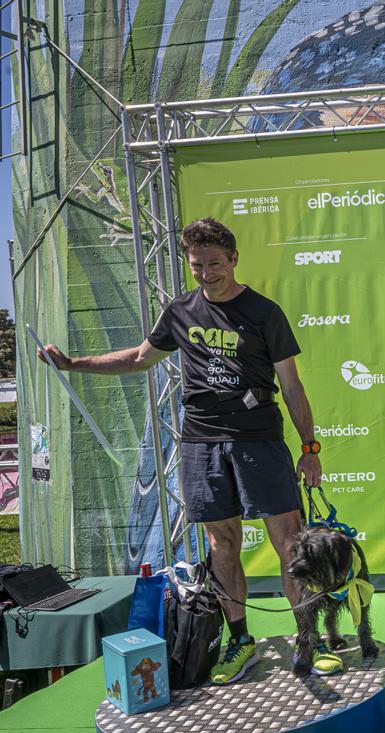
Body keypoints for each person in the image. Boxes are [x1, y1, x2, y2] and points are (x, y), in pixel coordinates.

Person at [37, 217, 326, 683]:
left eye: (214, 263)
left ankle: (309, 639)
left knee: (290, 542)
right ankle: (240, 642)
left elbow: (291, 385)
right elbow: (136, 358)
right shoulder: (180, 311)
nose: (206, 272)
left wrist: (310, 447)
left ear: (233, 259)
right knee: (221, 545)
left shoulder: (264, 312)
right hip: (200, 442)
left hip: (258, 440)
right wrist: (73, 363)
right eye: (197, 264)